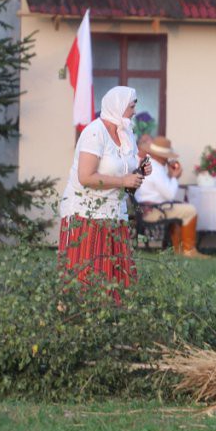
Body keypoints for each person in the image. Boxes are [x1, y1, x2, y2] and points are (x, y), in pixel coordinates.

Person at [58, 86, 149, 301]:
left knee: (117, 273)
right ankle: (80, 316)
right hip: (85, 213)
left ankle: (113, 320)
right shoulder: (94, 132)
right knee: (87, 273)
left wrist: (140, 171)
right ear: (118, 106)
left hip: (114, 212)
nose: (135, 111)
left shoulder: (126, 134)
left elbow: (127, 178)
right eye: (132, 106)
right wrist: (122, 180)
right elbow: (86, 177)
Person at [134, 136, 207, 258]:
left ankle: (178, 250)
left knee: (181, 209)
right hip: (153, 211)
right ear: (161, 156)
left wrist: (169, 174)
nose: (168, 158)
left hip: (148, 208)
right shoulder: (155, 169)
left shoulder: (150, 165)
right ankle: (189, 250)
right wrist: (174, 176)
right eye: (167, 155)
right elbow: (170, 194)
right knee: (190, 210)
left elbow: (162, 190)